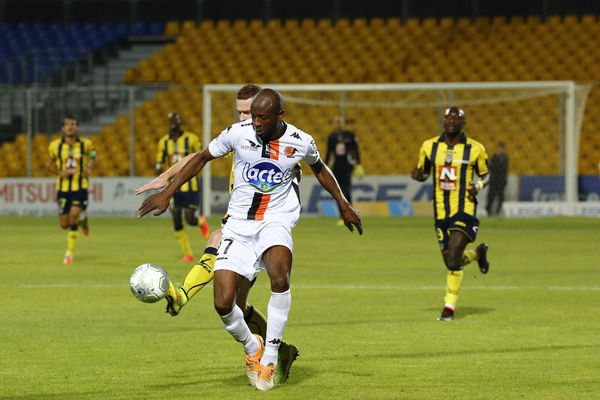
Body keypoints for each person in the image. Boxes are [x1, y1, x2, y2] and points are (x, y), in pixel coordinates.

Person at [138, 88, 362, 391]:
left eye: (261, 117)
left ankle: (269, 359)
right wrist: (167, 191)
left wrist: (344, 204)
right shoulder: (236, 134)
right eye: (252, 115)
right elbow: (202, 157)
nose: (255, 122)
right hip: (239, 223)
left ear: (279, 116)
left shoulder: (299, 141)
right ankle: (251, 347)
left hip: (276, 220)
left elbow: (320, 168)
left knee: (279, 278)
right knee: (223, 303)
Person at [137, 84, 302, 384]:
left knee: (226, 283)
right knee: (237, 305)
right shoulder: (242, 137)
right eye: (240, 112)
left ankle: (186, 298)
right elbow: (198, 156)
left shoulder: (274, 141)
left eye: (248, 112)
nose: (244, 118)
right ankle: (277, 351)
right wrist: (166, 178)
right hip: (239, 221)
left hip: (262, 226)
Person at [411, 107, 490, 321]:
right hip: (440, 212)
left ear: (464, 123)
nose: (452, 120)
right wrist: (418, 175)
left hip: (465, 208)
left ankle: (449, 308)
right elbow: (423, 172)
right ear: (443, 121)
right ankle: (477, 254)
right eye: (448, 117)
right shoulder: (429, 146)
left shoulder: (475, 148)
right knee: (451, 262)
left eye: (457, 117)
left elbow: (486, 174)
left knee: (455, 251)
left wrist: (479, 185)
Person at [155, 112, 210, 262]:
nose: (174, 126)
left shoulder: (191, 139)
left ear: (180, 124)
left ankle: (200, 221)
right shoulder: (163, 142)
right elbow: (159, 163)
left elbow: (201, 157)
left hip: (190, 184)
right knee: (177, 218)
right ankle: (188, 253)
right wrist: (162, 176)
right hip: (173, 186)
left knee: (190, 218)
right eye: (172, 123)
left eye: (176, 123)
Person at [45, 114, 97, 265]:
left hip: (80, 187)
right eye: (67, 124)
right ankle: (83, 220)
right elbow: (48, 164)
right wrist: (60, 172)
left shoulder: (86, 144)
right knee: (64, 224)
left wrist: (89, 167)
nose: (70, 127)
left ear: (77, 127)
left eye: (73, 124)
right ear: (62, 128)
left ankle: (69, 253)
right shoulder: (55, 146)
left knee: (73, 216)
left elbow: (94, 157)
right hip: (62, 188)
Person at [325, 115, 363, 218]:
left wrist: (359, 164)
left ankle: (350, 213)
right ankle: (342, 216)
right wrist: (324, 166)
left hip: (347, 166)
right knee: (338, 192)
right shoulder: (331, 136)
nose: (338, 124)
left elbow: (356, 151)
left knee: (346, 190)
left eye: (340, 121)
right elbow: (329, 153)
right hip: (336, 167)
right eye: (336, 122)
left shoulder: (350, 135)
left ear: (343, 123)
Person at [485, 141, 509, 216]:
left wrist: (505, 180)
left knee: (500, 197)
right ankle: (488, 211)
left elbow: (504, 169)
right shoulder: (494, 157)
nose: (499, 150)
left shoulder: (505, 158)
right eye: (498, 148)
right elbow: (490, 167)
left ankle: (498, 212)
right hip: (493, 181)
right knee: (490, 197)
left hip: (501, 181)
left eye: (501, 148)